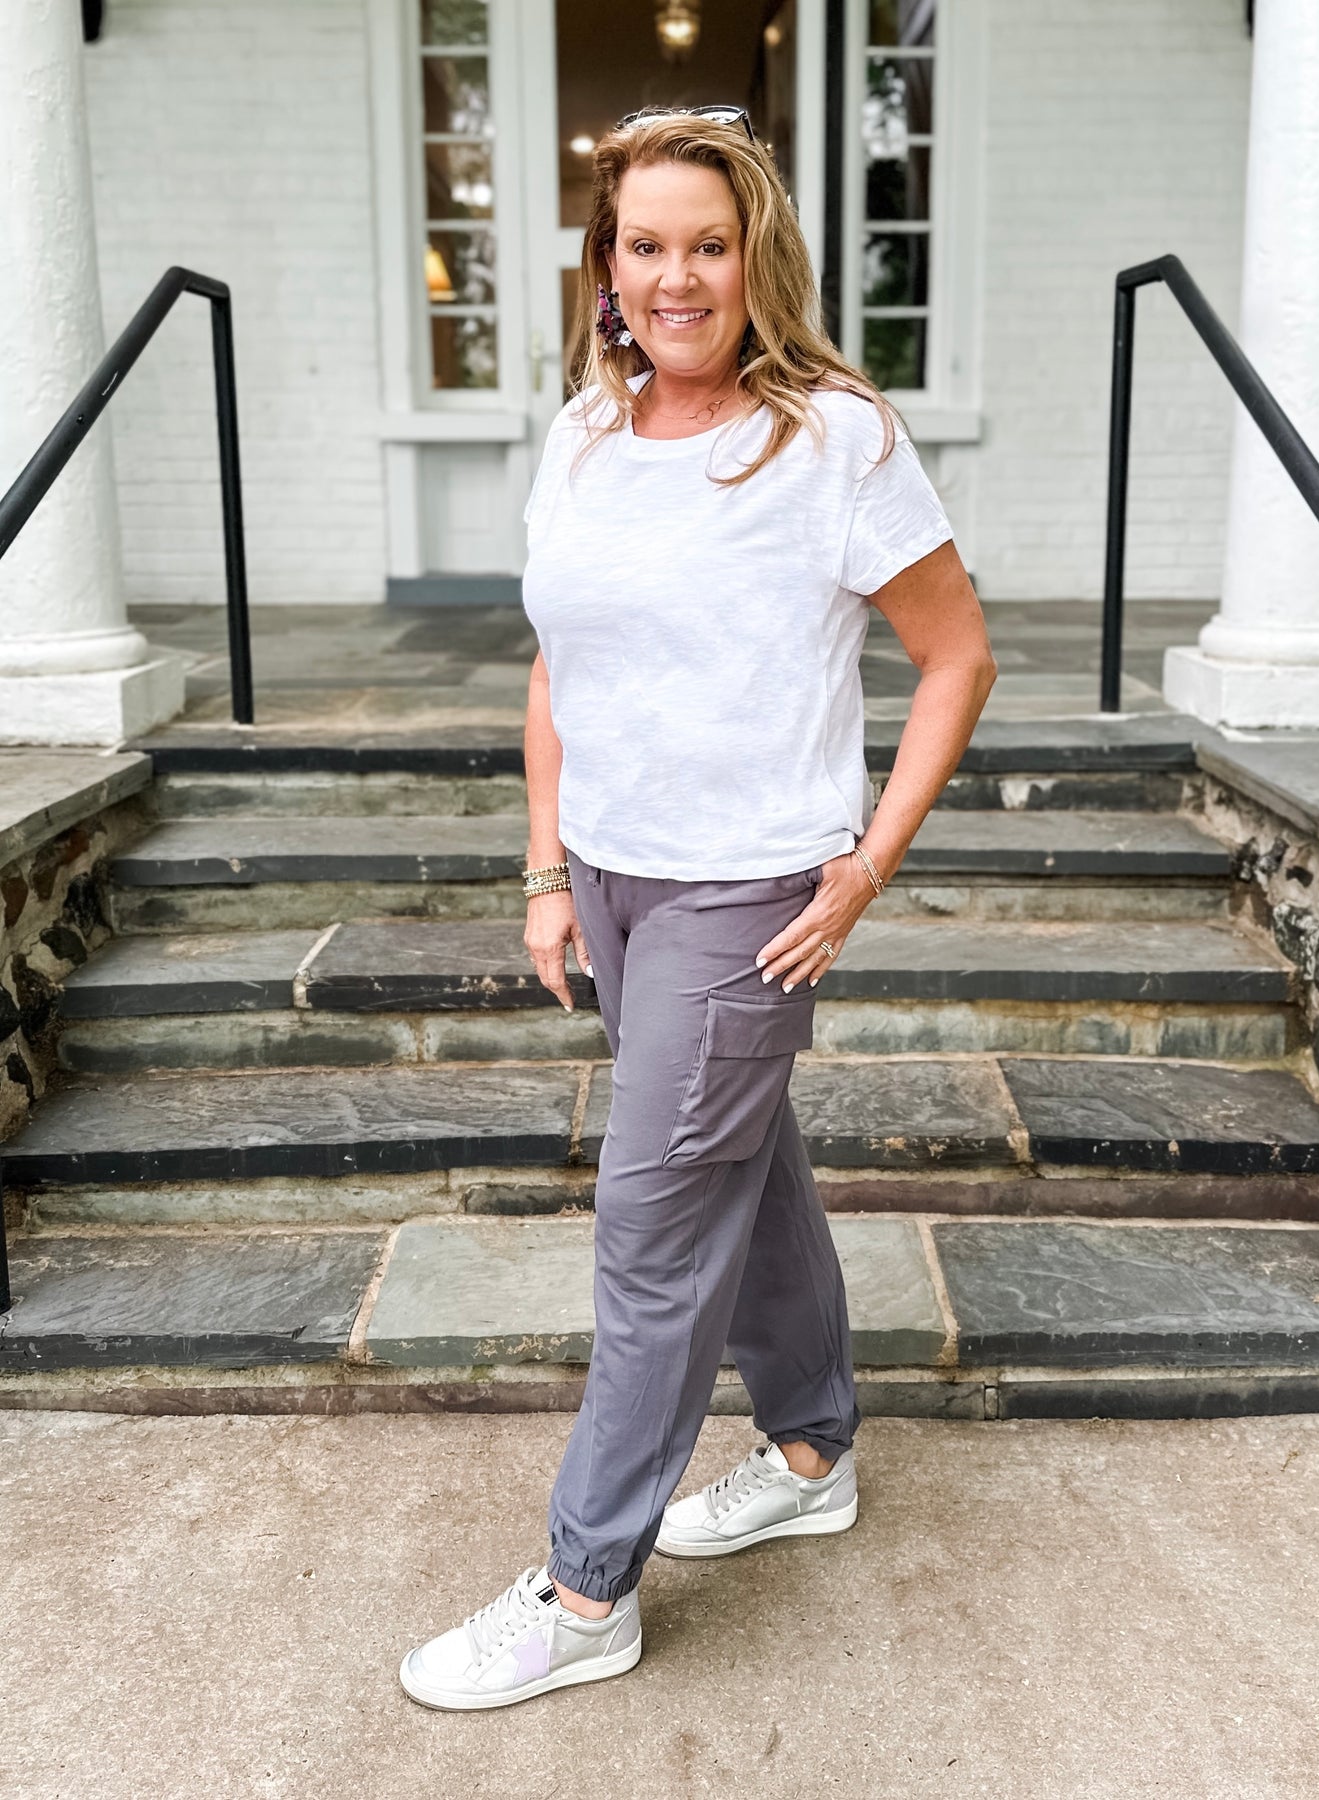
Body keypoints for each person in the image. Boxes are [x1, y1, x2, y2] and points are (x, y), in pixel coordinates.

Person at [399, 104, 996, 1712]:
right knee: (746, 1165)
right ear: (605, 265)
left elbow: (956, 655)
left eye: (709, 246)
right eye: (645, 245)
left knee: (652, 1230)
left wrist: (863, 865)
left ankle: (585, 1590)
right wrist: (544, 867)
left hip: (746, 893)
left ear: (756, 261)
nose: (677, 279)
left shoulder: (834, 438)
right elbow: (558, 666)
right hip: (611, 875)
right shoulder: (585, 432)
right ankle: (810, 1448)